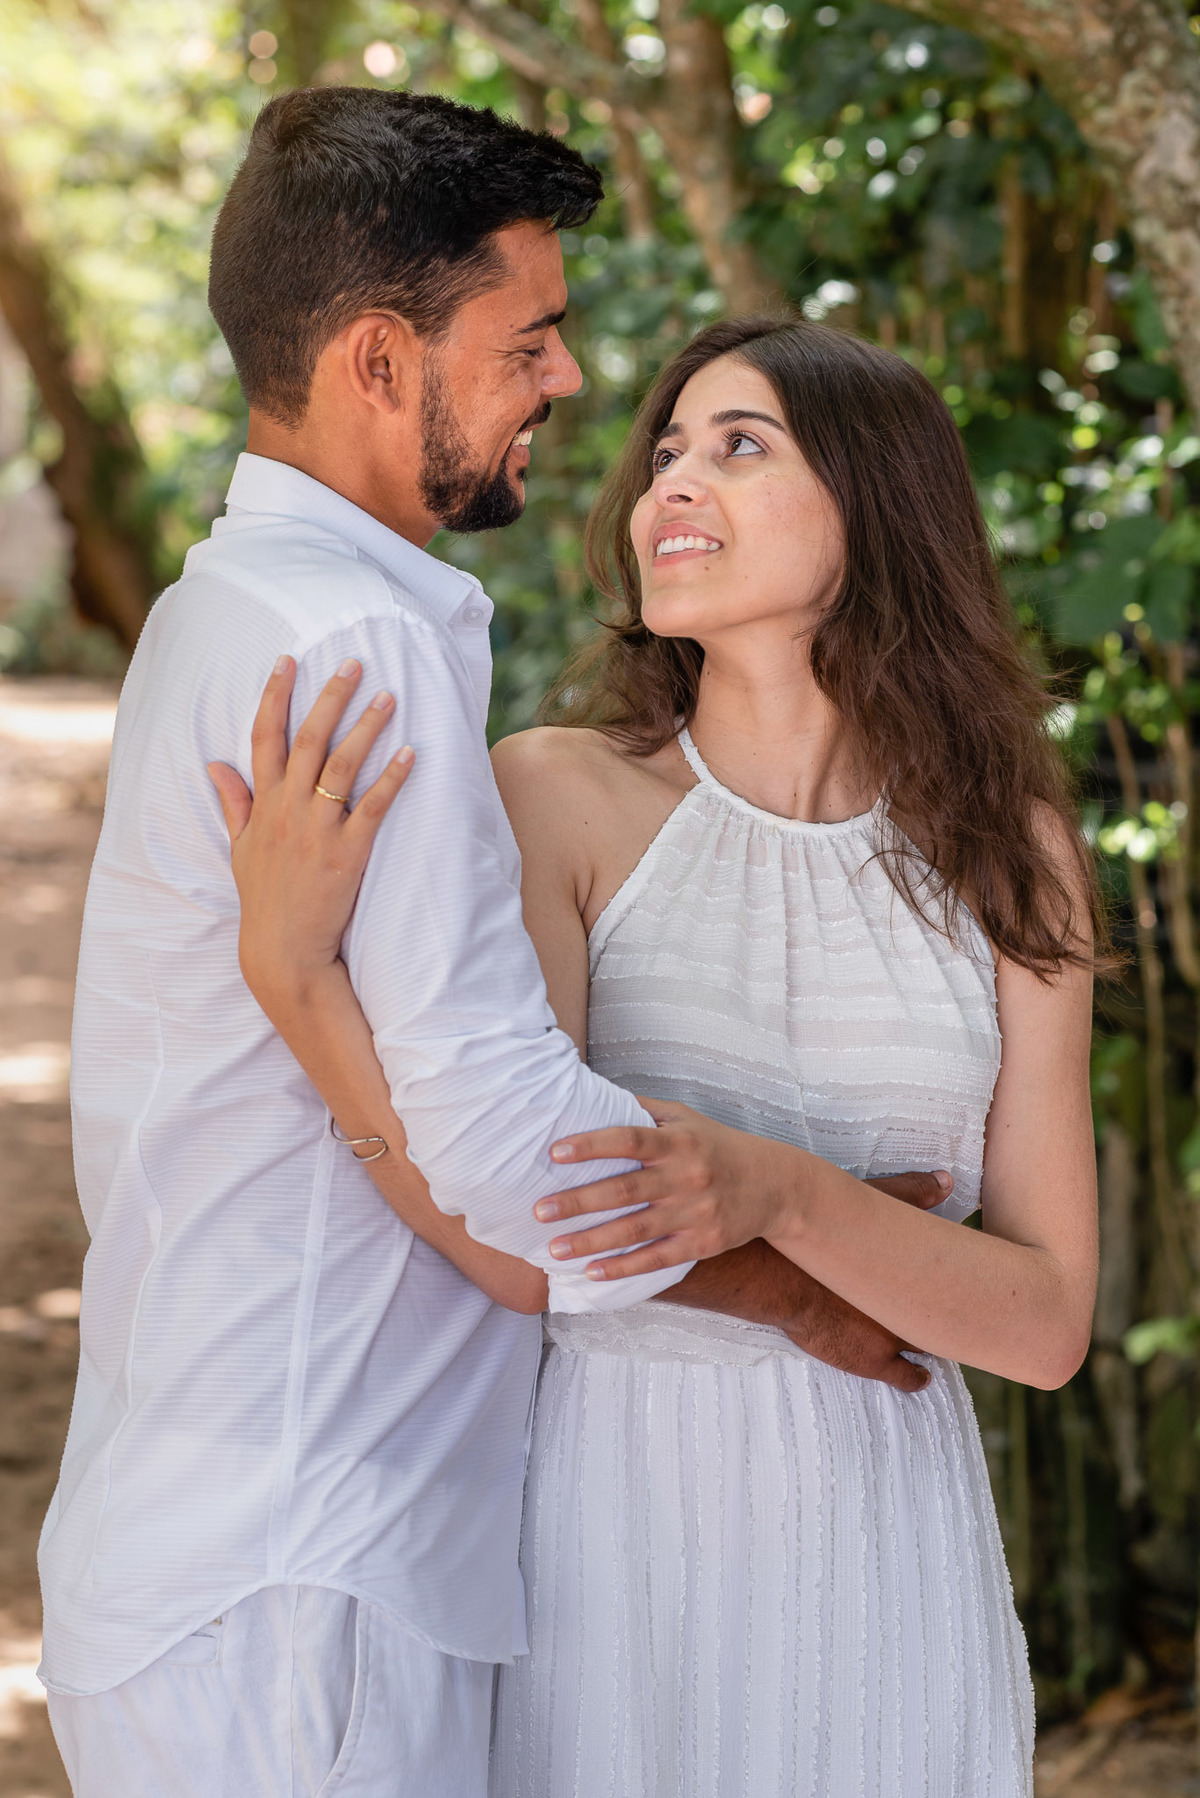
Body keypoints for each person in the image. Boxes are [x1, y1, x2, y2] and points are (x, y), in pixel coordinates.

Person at [41, 92, 944, 1798]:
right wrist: (804, 1279)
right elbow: (499, 1128)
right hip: (309, 1579)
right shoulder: (350, 647)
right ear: (381, 361)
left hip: (252, 1551)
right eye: (527, 338)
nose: (573, 384)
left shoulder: (223, 607)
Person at [212, 318, 1100, 1796]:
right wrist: (294, 975)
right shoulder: (557, 795)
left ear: (878, 504)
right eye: (667, 452)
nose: (670, 485)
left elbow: (1047, 1319)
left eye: (739, 446)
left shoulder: (1017, 859)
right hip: (618, 1532)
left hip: (892, 1544)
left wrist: (782, 1192)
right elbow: (511, 1229)